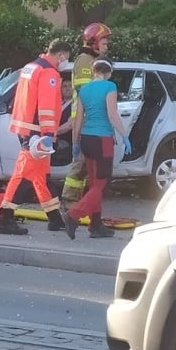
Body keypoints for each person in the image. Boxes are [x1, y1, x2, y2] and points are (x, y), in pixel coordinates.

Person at [0, 39, 73, 235]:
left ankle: (54, 218)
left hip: (25, 127)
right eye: (66, 58)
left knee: (40, 176)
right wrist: (47, 133)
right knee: (22, 176)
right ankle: (5, 218)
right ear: (61, 54)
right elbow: (47, 105)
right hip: (37, 131)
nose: (65, 62)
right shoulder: (49, 73)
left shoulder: (30, 67)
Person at [62, 59, 131, 240]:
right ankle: (73, 216)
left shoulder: (84, 90)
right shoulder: (110, 86)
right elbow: (112, 113)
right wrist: (124, 134)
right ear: (108, 72)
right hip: (103, 139)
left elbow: (78, 119)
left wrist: (75, 142)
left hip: (86, 139)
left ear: (94, 72)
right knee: (101, 183)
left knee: (93, 183)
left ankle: (96, 224)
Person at [61, 22, 111, 206]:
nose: (107, 45)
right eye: (104, 41)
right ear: (94, 42)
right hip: (85, 123)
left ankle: (75, 204)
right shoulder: (85, 61)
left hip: (90, 123)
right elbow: (86, 93)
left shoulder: (93, 62)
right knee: (80, 165)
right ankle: (68, 204)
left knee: (85, 166)